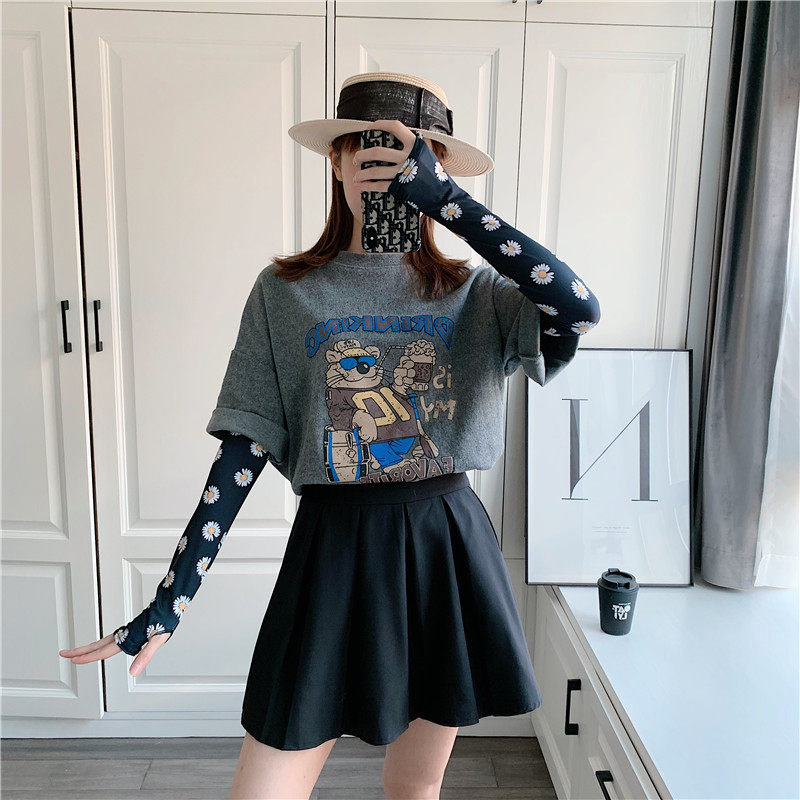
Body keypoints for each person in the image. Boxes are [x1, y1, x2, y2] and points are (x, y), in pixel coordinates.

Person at [59, 72, 600, 800]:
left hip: (445, 548)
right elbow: (244, 448)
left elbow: (577, 305)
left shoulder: (475, 293)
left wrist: (447, 203)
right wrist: (171, 599)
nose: (383, 167)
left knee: (415, 789)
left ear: (436, 165)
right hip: (333, 549)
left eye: (407, 153)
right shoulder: (284, 292)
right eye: (365, 148)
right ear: (337, 160)